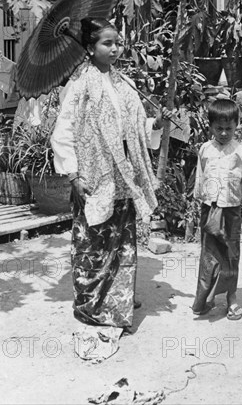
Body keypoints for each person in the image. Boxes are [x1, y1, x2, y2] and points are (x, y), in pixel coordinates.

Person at [51, 17, 170, 332]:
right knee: (94, 240)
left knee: (121, 241)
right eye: (107, 43)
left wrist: (154, 125)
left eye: (118, 42)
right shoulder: (78, 84)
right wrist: (73, 174)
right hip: (94, 172)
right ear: (90, 47)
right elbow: (64, 130)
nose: (115, 48)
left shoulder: (124, 83)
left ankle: (119, 295)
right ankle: (93, 304)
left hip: (122, 172)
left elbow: (134, 127)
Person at [192, 98, 242, 320]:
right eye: (219, 128)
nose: (224, 133)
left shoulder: (241, 152)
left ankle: (231, 298)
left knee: (231, 254)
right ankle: (205, 299)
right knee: (209, 254)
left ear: (237, 126)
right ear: (210, 127)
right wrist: (199, 198)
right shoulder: (205, 150)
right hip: (210, 208)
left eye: (229, 128)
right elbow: (200, 176)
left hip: (231, 210)